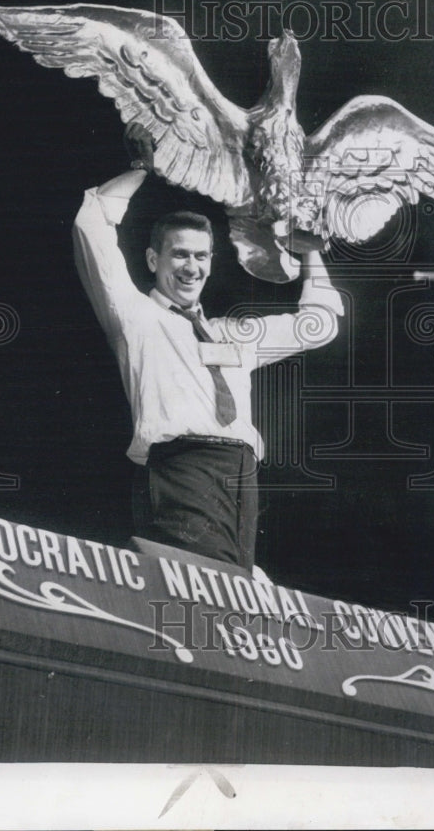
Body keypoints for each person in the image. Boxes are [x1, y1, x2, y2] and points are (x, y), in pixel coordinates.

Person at [72, 124, 344, 573]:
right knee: (200, 587)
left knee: (235, 594)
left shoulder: (232, 334)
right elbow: (91, 221)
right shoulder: (137, 316)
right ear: (154, 260)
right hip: (182, 470)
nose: (191, 266)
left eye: (201, 256)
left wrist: (309, 251)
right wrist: (141, 170)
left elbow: (320, 326)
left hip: (242, 479)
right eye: (179, 254)